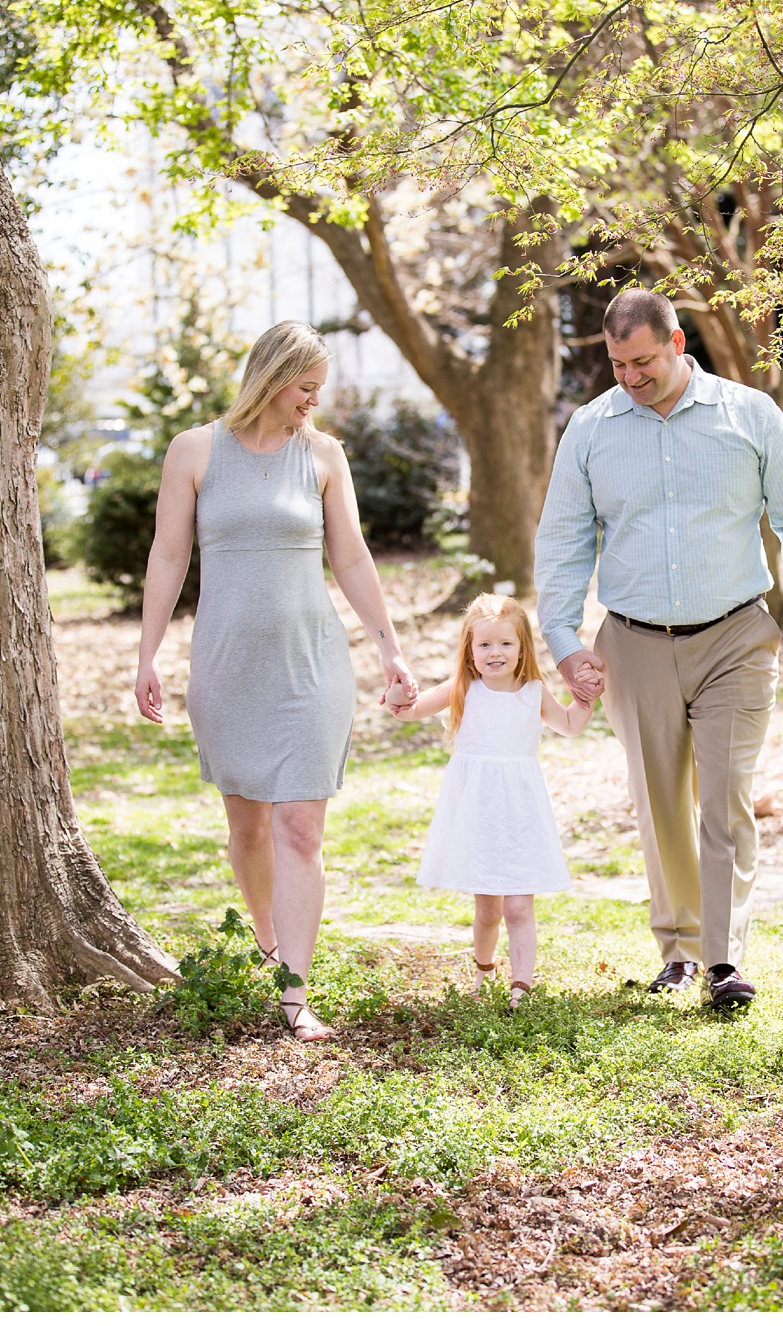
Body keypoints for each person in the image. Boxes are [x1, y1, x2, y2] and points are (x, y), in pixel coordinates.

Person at [534, 288, 783, 1012]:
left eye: (642, 361)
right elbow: (564, 541)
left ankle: (723, 959)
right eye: (616, 364)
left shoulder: (749, 414)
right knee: (660, 801)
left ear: (677, 345)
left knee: (725, 794)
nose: (630, 377)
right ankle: (676, 951)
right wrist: (564, 642)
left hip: (736, 633)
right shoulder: (590, 429)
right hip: (633, 642)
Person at [134, 320, 417, 1042]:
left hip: (310, 664)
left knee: (299, 824)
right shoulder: (195, 451)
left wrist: (390, 650)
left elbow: (351, 558)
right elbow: (168, 558)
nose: (312, 403)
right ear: (271, 376)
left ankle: (294, 991)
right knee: (248, 824)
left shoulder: (322, 455)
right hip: (227, 664)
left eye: (319, 390)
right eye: (305, 387)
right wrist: (148, 656)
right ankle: (267, 941)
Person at [390, 594, 589, 1009]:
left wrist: (585, 699)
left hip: (519, 812)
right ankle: (484, 969)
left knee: (518, 907)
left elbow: (569, 725)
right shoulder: (464, 688)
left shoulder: (534, 691)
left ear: (522, 649)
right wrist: (396, 695)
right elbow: (408, 712)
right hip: (477, 811)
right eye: (484, 645)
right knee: (488, 912)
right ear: (470, 650)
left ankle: (522, 988)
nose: (495, 653)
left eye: (505, 644)